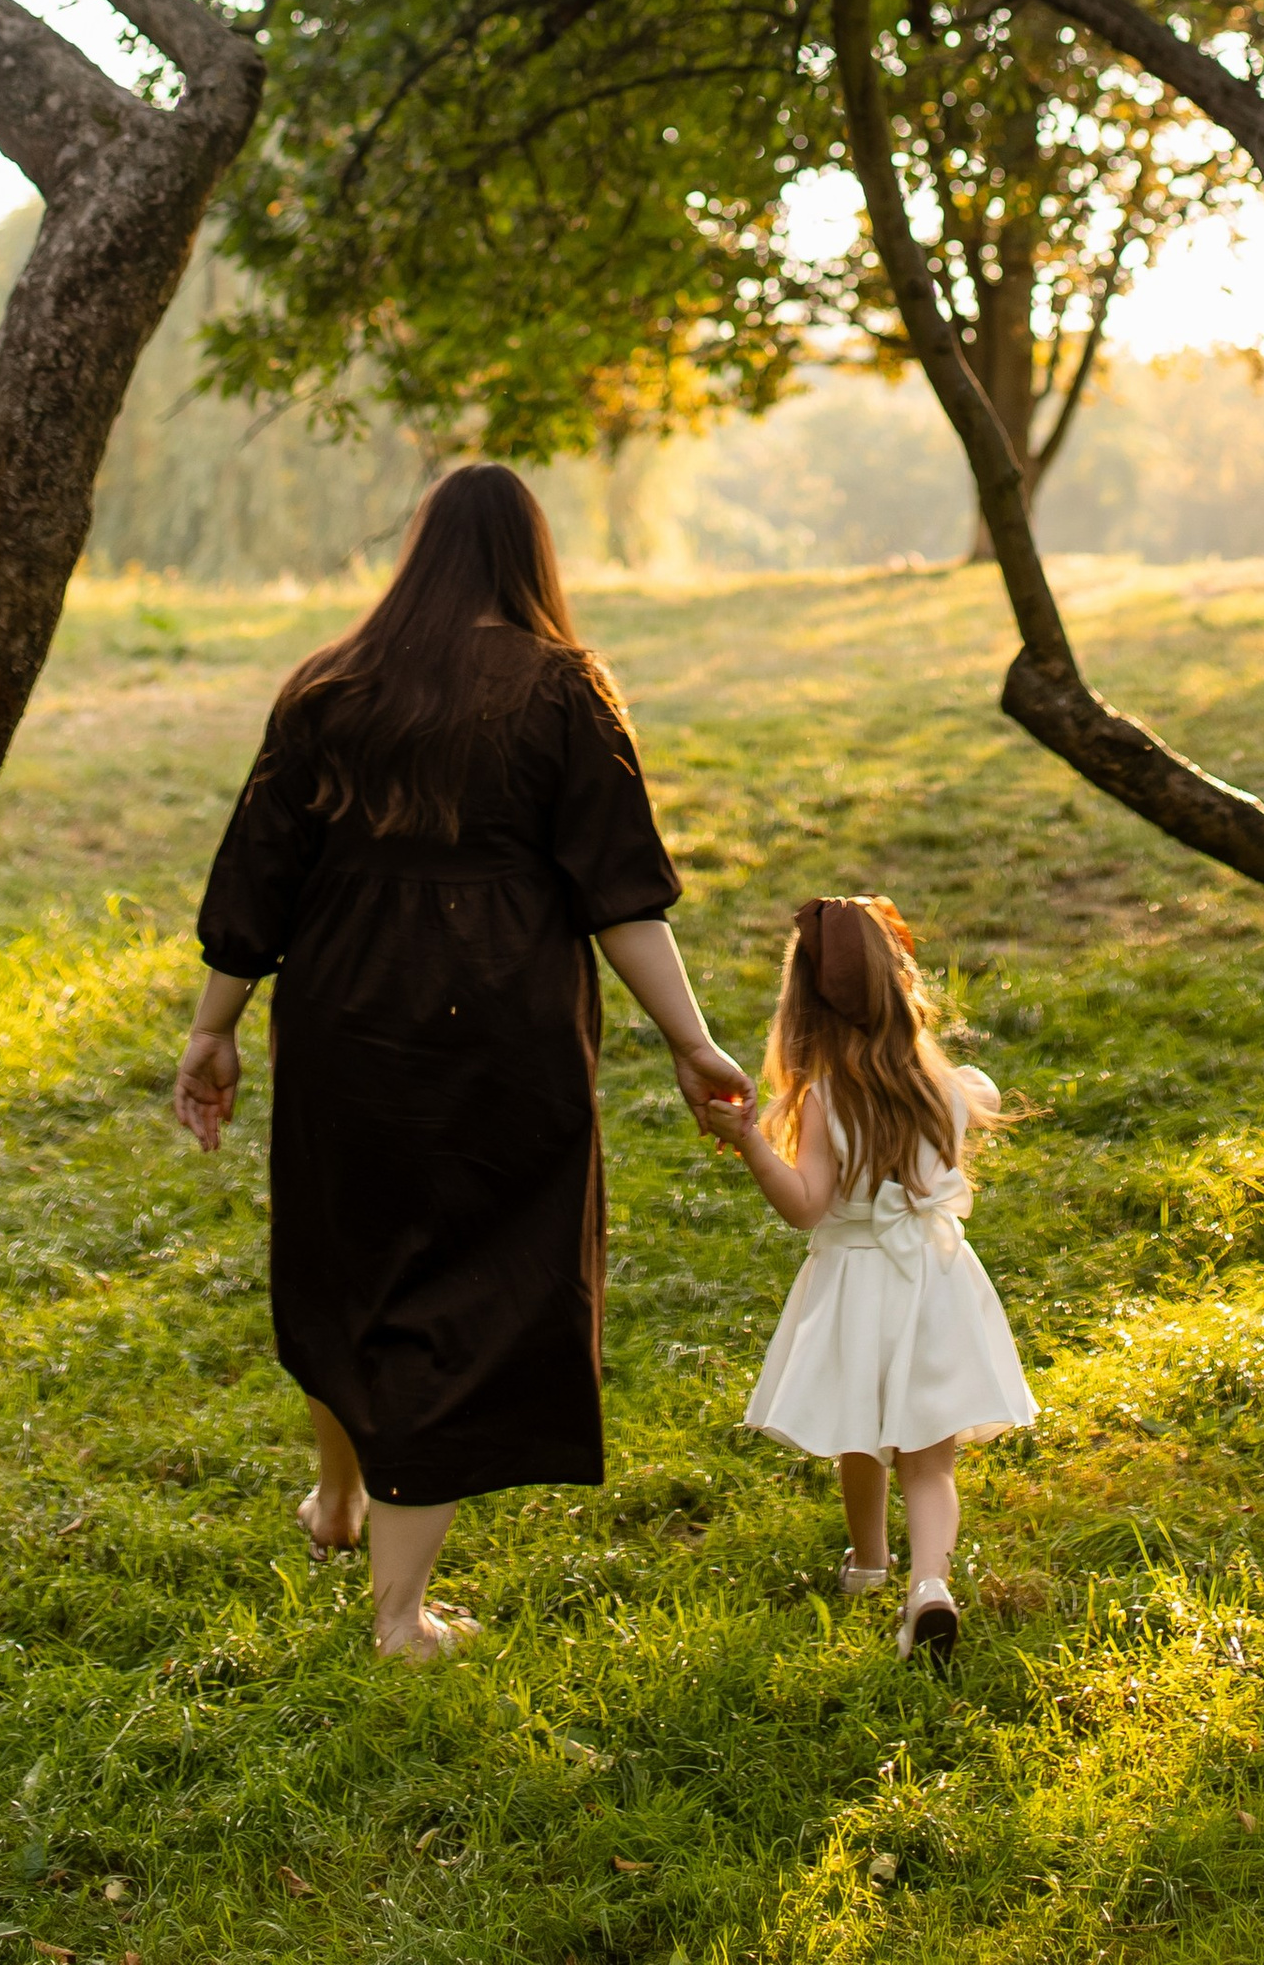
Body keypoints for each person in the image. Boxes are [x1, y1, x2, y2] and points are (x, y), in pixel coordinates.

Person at [173, 463, 751, 1660]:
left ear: (421, 551)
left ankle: (340, 1500)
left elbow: (257, 878)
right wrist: (688, 1042)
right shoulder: (563, 692)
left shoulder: (330, 686)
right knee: (466, 1280)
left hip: (343, 1009)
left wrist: (212, 1024)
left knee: (352, 1247)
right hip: (500, 1020)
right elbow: (621, 898)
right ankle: (398, 1616)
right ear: (529, 557)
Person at [705, 892, 1036, 1668]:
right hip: (937, 1281)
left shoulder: (824, 1102)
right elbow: (980, 1091)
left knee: (862, 1431)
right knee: (931, 1456)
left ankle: (868, 1563)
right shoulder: (954, 1089)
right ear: (903, 985)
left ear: (804, 1013)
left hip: (858, 1287)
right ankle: (930, 1587)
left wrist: (752, 1140)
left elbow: (805, 1207)